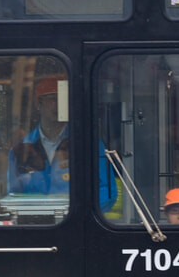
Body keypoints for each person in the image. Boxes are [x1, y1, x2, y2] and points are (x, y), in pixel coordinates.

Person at [8, 76, 116, 210]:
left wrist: (78, 212)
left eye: (63, 99)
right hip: (36, 225)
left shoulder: (88, 144)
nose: (59, 104)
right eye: (52, 99)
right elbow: (13, 194)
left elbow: (107, 190)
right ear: (38, 104)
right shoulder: (21, 148)